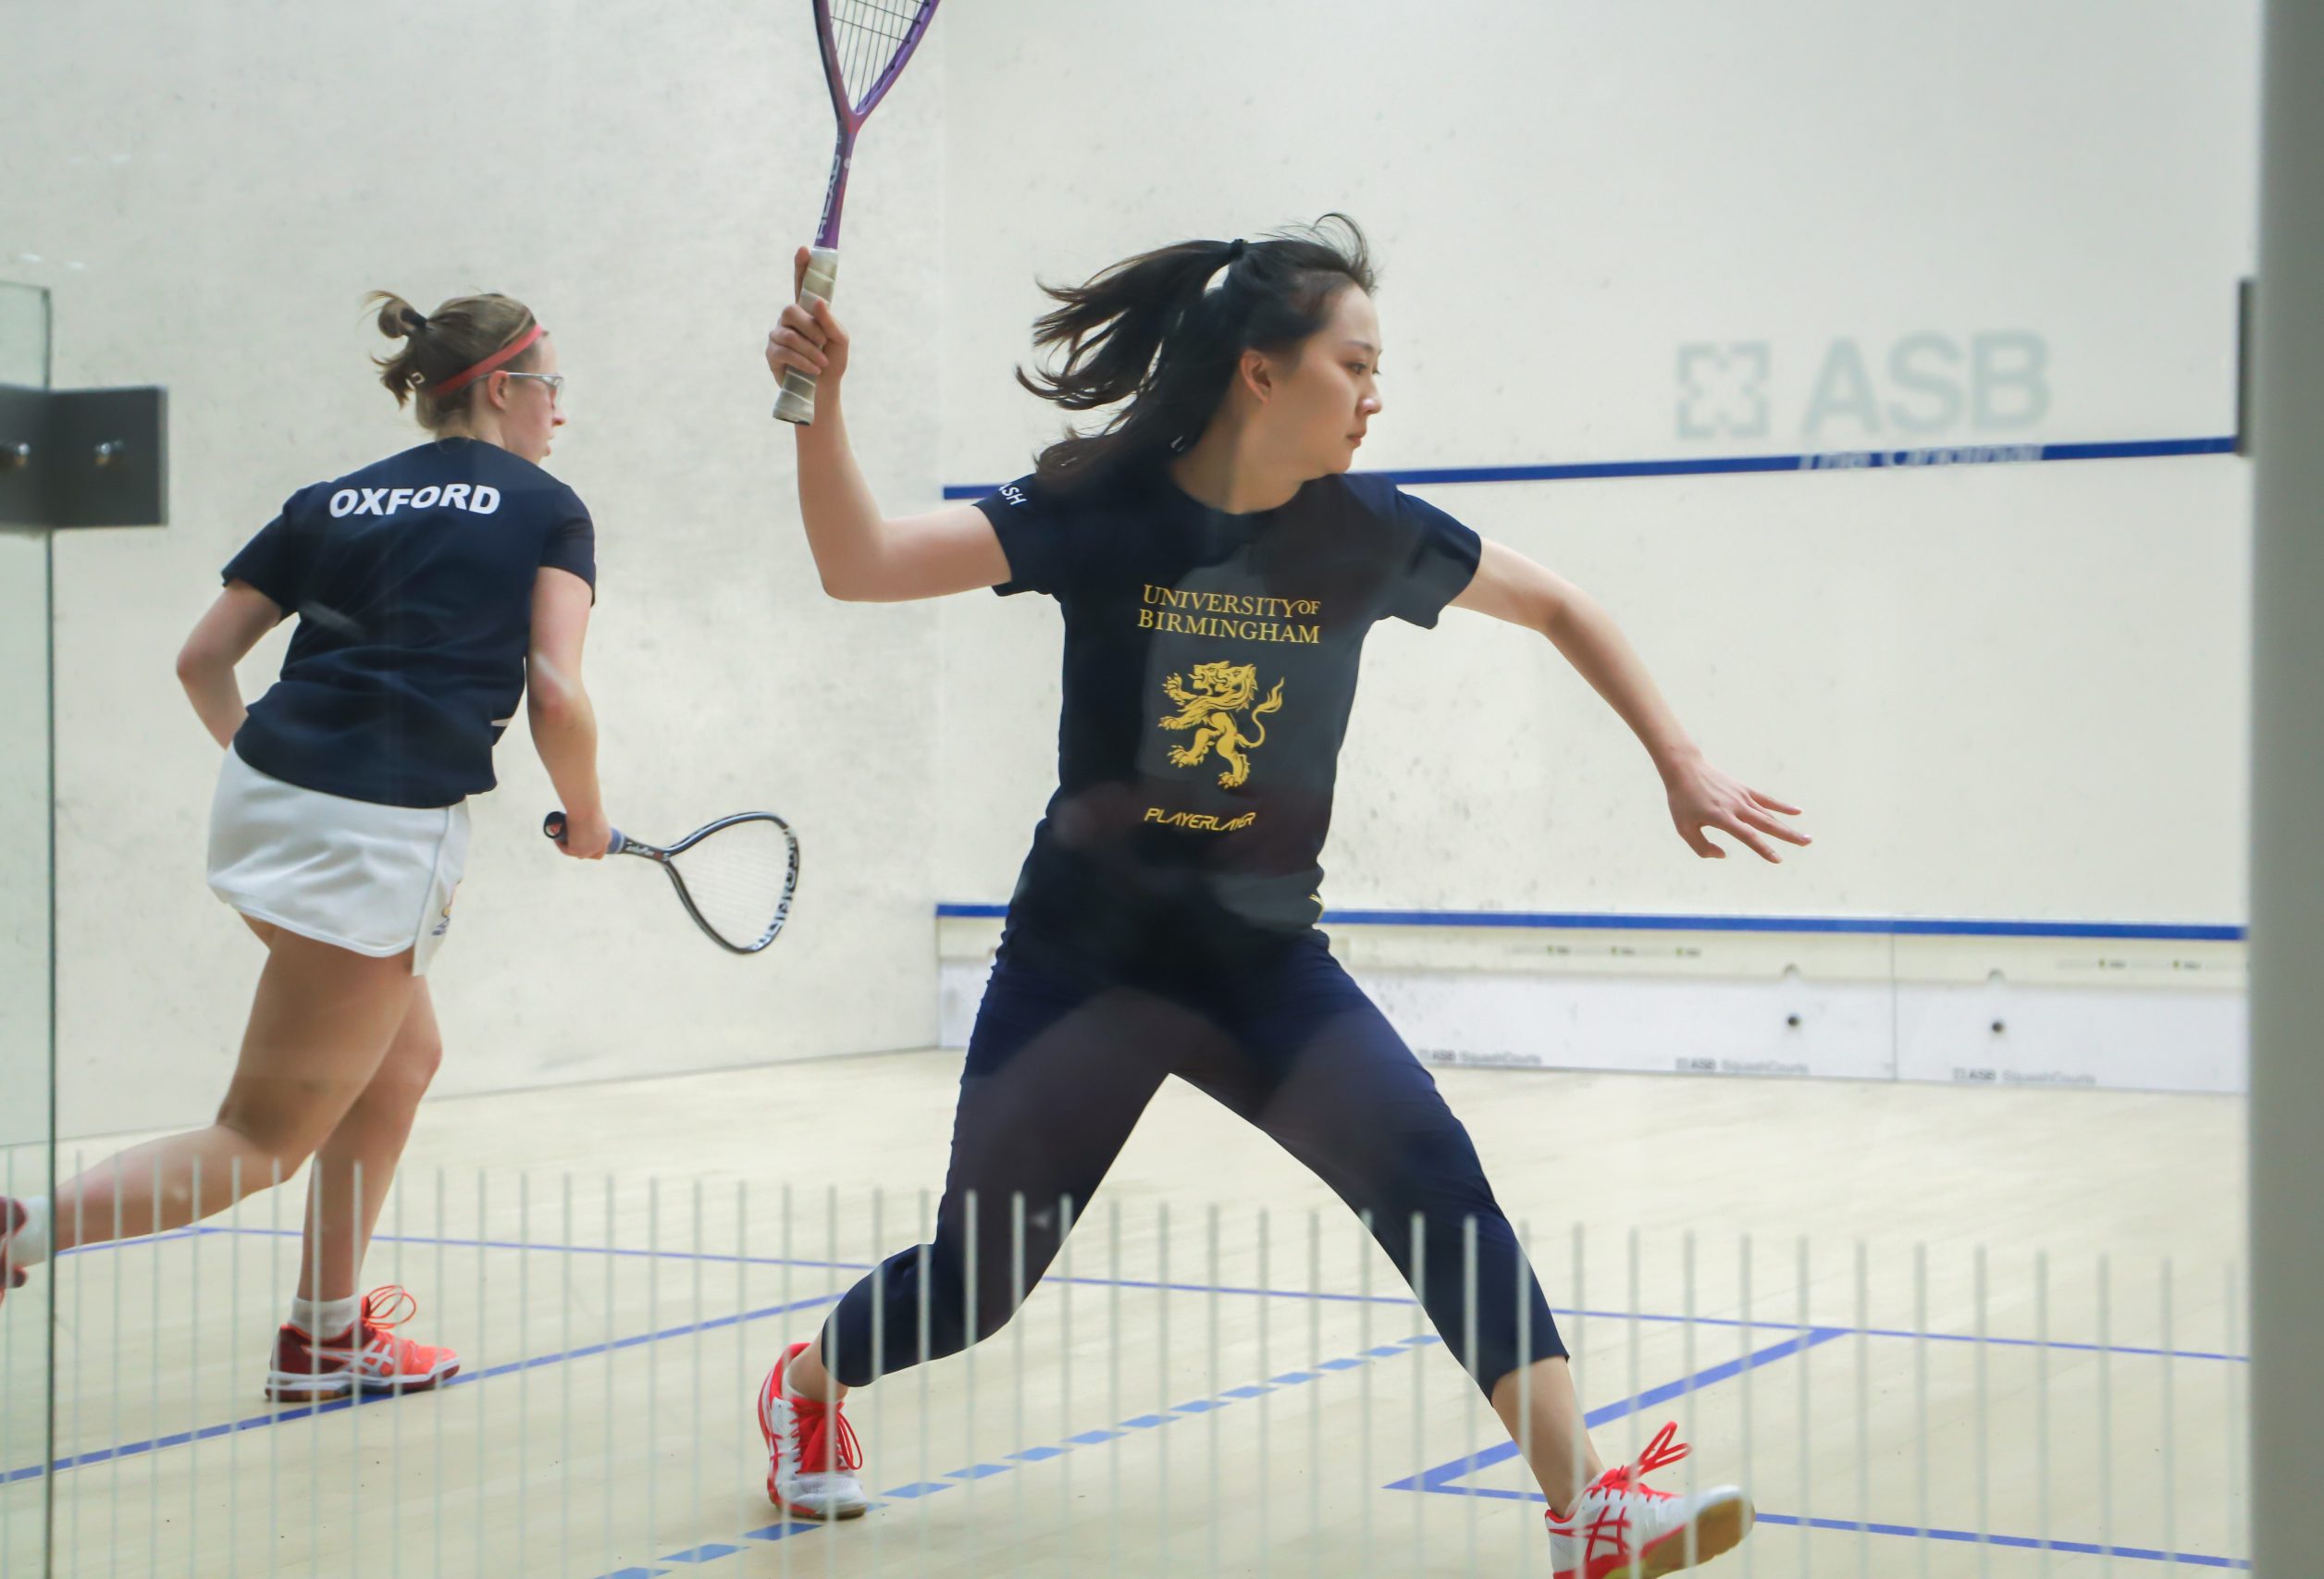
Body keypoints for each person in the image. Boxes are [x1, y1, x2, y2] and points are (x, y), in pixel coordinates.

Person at [755, 216, 1806, 1577]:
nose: (1377, 393)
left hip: (1261, 961)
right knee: (974, 1284)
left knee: (1432, 1176)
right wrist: (821, 407)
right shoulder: (1101, 509)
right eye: (1354, 363)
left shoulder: (1368, 533)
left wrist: (1682, 758)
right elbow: (861, 563)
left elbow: (1560, 606)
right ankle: (811, 1382)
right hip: (1087, 965)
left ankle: (1587, 1504)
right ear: (1263, 372)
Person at [1, 290, 612, 1404]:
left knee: (402, 1060)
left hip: (263, 801)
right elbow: (557, 690)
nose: (559, 414)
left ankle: (325, 1335)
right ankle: (21, 1230)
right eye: (553, 388)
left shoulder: (332, 498)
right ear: (502, 388)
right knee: (260, 1135)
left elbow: (201, 660)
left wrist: (273, 770)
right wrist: (591, 814)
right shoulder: (547, 506)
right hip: (372, 837)